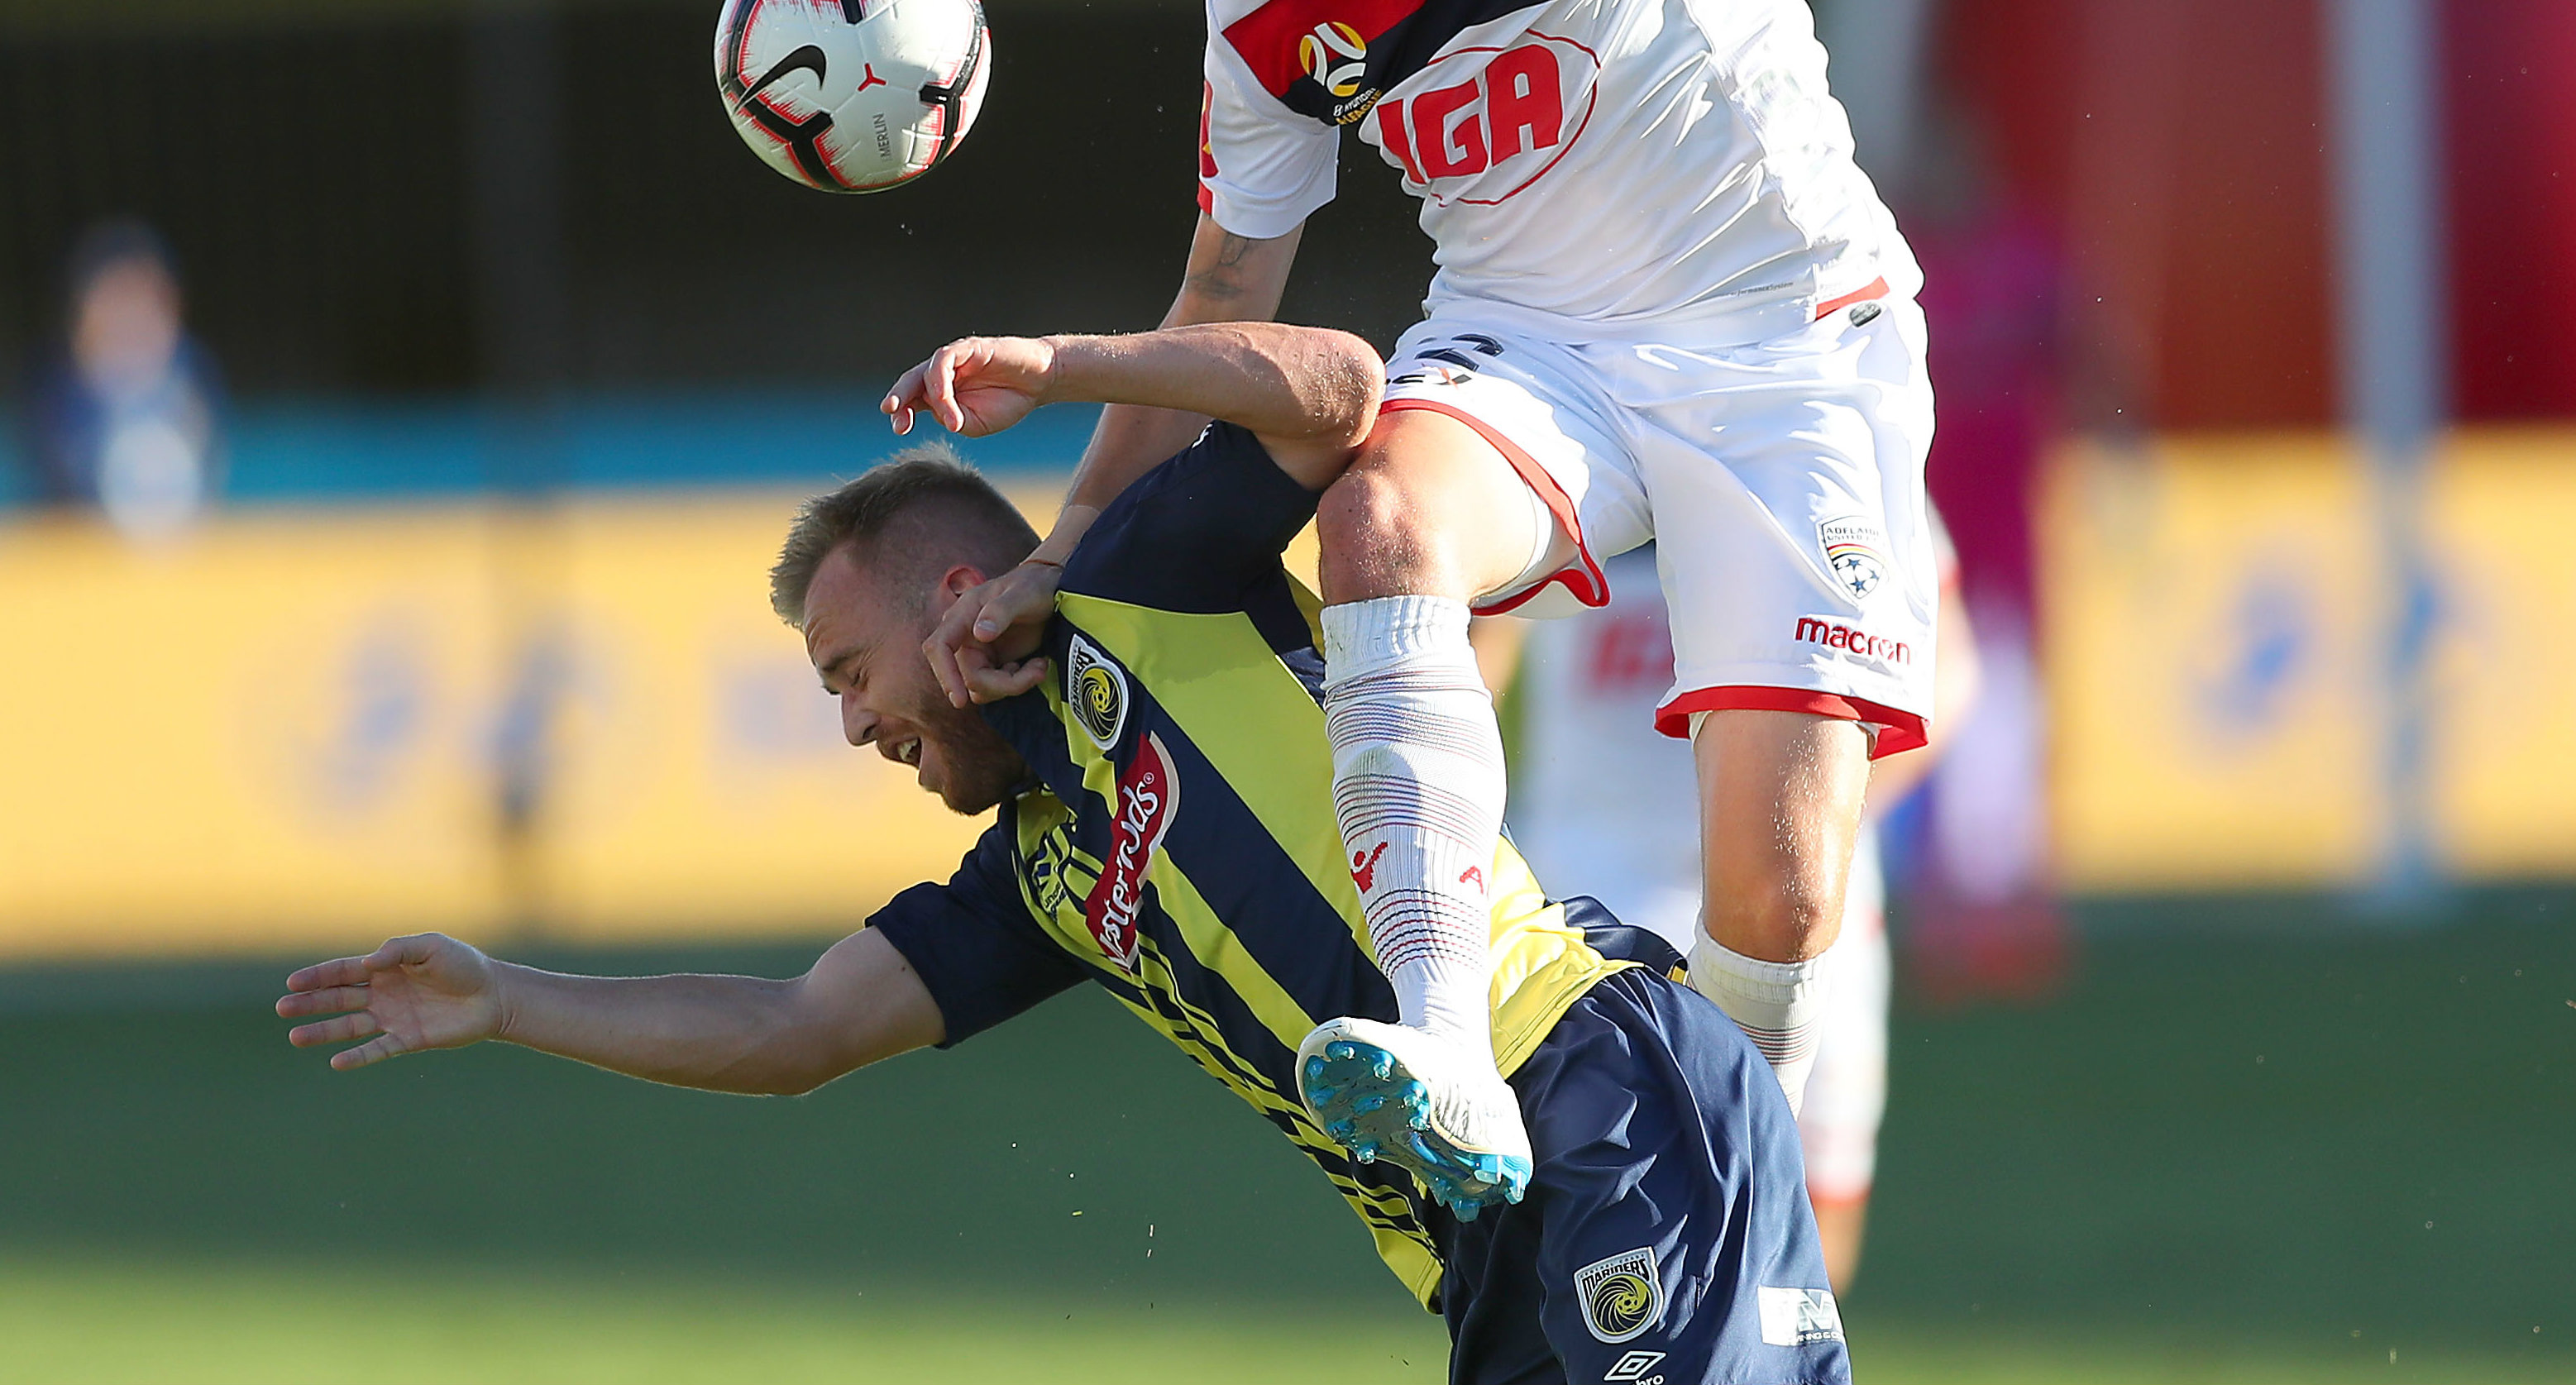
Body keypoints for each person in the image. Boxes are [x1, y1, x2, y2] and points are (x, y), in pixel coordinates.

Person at [909, 0, 2521, 1209]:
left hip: (1786, 340)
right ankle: (1441, 1040)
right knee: (1383, 512)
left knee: (1784, 898)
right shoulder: (1259, 2)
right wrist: (1060, 550)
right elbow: (1222, 299)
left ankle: (1734, 1214)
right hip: (1533, 344)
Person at [280, 322, 1853, 1384]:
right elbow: (792, 1030)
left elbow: (1340, 386)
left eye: (848, 673)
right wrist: (506, 995)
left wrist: (1066, 365)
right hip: (1480, 1242)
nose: (855, 727)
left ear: (952, 590)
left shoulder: (1143, 577)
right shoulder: (1037, 874)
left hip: (1586, 1086)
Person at [1495, 517, 1981, 1295]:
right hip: (1594, 903)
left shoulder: (1837, 437)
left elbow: (1950, 669)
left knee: (1808, 1222)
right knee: (1596, 1232)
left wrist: (1815, 828)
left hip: (1809, 902)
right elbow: (1472, 662)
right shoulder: (1575, 423)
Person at [29, 217, 224, 539]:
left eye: (142, 297)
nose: (129, 316)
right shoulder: (56, 393)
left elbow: (204, 491)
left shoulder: (194, 377)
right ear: (82, 314)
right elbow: (60, 500)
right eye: (115, 298)